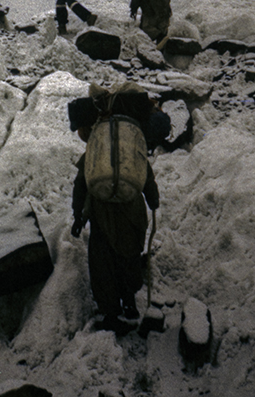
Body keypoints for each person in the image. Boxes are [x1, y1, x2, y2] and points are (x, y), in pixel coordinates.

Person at [69, 83, 161, 333]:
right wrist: (153, 199)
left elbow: (82, 183)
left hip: (102, 210)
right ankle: (129, 302)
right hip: (132, 207)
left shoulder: (95, 149)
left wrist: (78, 215)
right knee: (130, 254)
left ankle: (109, 311)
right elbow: (145, 174)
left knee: (102, 260)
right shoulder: (131, 146)